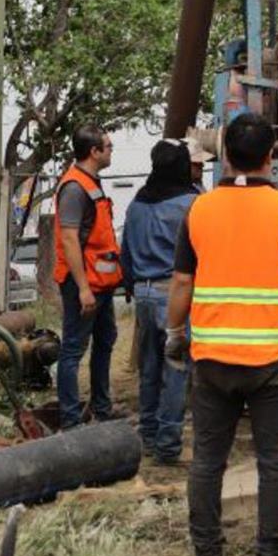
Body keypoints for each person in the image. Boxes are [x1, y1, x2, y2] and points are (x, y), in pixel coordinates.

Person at [165, 112, 278, 556]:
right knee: (273, 464)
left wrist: (174, 334)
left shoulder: (198, 211)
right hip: (273, 363)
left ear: (224, 155)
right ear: (271, 157)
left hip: (213, 361)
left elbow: (182, 281)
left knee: (206, 462)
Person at [120, 140, 200, 465]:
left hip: (142, 294)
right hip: (174, 295)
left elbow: (125, 251)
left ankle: (148, 437)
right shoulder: (192, 204)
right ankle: (169, 444)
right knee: (177, 371)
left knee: (149, 370)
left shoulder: (136, 204)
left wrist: (130, 286)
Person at [53, 125, 123, 430]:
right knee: (72, 350)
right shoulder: (74, 188)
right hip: (83, 283)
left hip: (99, 283)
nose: (111, 151)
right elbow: (69, 240)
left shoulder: (89, 183)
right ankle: (70, 420)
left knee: (105, 340)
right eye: (108, 146)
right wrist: (83, 288)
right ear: (93, 152)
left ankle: (101, 408)